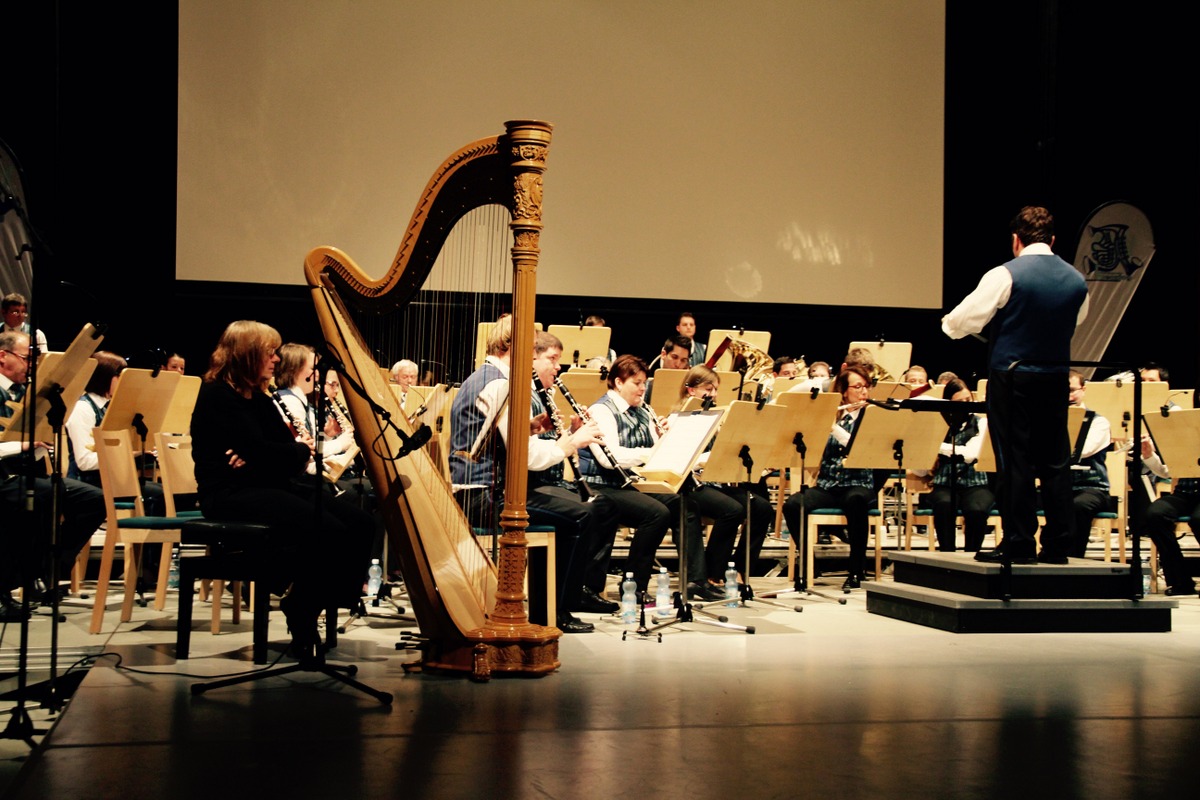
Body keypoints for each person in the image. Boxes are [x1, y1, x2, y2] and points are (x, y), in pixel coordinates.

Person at [189, 321, 374, 660]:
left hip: (269, 485)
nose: (276, 359)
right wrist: (279, 453)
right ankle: (302, 609)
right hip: (229, 495)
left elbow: (283, 453)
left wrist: (273, 454)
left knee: (362, 523)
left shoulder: (259, 399)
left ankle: (319, 600)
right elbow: (274, 451)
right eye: (269, 353)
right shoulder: (217, 396)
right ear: (247, 355)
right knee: (327, 529)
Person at [942, 205, 1089, 564]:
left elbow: (959, 322)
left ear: (1015, 240)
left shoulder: (1006, 274)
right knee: (1055, 461)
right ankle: (1059, 544)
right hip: (1055, 376)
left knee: (1015, 460)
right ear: (1053, 240)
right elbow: (1076, 321)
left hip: (1013, 376)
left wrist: (951, 325)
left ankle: (1019, 542)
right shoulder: (1077, 280)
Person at [448, 321, 612, 632]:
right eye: (529, 348)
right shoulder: (500, 385)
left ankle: (549, 606)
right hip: (483, 496)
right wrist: (571, 443)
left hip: (478, 491)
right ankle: (554, 611)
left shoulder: (484, 377)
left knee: (580, 509)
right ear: (510, 347)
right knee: (581, 515)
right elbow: (528, 458)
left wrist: (532, 428)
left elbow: (499, 438)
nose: (532, 356)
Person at [576, 355, 710, 599]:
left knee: (684, 505)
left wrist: (665, 437)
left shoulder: (643, 411)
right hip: (600, 486)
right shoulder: (601, 411)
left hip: (630, 483)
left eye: (644, 383)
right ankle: (634, 585)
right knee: (656, 513)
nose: (642, 388)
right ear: (618, 382)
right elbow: (609, 459)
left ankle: (696, 581)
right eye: (636, 383)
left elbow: (655, 450)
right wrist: (651, 451)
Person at [1, 330, 105, 620]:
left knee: (93, 500)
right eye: (27, 358)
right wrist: (21, 444)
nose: (31, 365)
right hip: (3, 477)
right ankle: (10, 585)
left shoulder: (28, 392)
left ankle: (47, 567)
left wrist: (40, 441)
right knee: (37, 499)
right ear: (3, 357)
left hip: (25, 474)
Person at [673, 366, 773, 592]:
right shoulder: (682, 417)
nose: (714, 394)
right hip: (690, 485)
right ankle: (712, 573)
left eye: (715, 389)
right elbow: (684, 460)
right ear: (691, 390)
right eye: (708, 389)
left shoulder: (713, 415)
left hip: (714, 482)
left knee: (762, 508)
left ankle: (739, 570)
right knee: (732, 510)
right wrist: (711, 457)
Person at [781, 365, 880, 589]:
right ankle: (809, 562)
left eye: (866, 386)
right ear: (844, 392)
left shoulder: (870, 416)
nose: (864, 391)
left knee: (855, 501)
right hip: (828, 485)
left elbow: (857, 446)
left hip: (858, 484)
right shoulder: (833, 414)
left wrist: (832, 427)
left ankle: (856, 570)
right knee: (793, 505)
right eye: (857, 387)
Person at [917, 377, 994, 552]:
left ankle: (972, 554)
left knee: (977, 509)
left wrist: (937, 446)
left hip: (976, 483)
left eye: (968, 400)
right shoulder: (939, 426)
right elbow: (920, 470)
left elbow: (970, 454)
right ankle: (947, 553)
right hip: (945, 483)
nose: (966, 405)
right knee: (944, 504)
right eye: (960, 402)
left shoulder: (981, 423)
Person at [1140, 432, 1200, 596]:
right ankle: (1181, 581)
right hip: (1184, 493)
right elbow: (1168, 472)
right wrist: (1150, 456)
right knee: (1155, 515)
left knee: (1199, 519)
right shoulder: (1187, 433)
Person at [1064, 369, 1113, 557]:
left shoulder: (1098, 422)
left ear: (1083, 390)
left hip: (1092, 488)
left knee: (1078, 506)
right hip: (1061, 486)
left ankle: (1072, 559)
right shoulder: (1051, 420)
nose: (1069, 396)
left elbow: (1083, 450)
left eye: (1072, 390)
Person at [65, 351, 127, 486]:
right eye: (120, 376)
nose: (124, 382)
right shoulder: (83, 408)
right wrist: (128, 454)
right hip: (85, 483)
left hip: (109, 480)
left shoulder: (110, 406)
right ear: (104, 377)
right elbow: (85, 461)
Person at [645, 334, 691, 405]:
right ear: (663, 354)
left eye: (683, 360)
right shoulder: (647, 386)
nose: (678, 364)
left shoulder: (689, 389)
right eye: (674, 357)